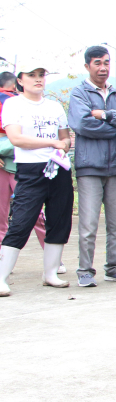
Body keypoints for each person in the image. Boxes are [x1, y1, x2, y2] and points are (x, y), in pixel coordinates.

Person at [68, 45, 116, 287]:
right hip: (89, 167)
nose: (103, 67)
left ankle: (114, 268)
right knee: (88, 225)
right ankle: (85, 271)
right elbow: (83, 124)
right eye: (97, 63)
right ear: (87, 66)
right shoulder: (79, 94)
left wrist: (105, 114)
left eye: (107, 62)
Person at [0, 67, 73, 296]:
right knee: (21, 221)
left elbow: (64, 137)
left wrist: (64, 145)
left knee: (59, 221)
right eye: (31, 75)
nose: (38, 80)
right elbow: (16, 138)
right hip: (31, 170)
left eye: (41, 75)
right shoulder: (13, 104)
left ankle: (50, 274)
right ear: (20, 80)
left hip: (59, 169)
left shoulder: (54, 106)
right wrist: (52, 144)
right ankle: (2, 277)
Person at [0, 71, 47, 252]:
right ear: (17, 83)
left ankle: (3, 257)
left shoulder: (20, 104)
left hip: (16, 164)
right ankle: (52, 256)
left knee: (4, 215)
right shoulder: (18, 103)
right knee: (35, 213)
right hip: (20, 163)